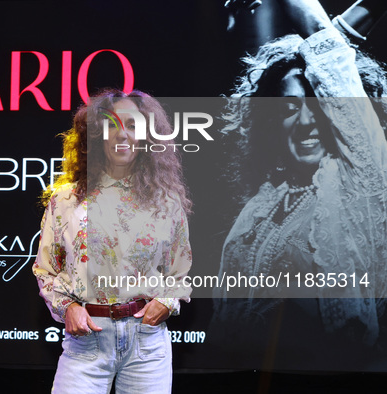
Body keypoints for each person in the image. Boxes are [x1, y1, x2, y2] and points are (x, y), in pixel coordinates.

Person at [212, 0, 387, 355]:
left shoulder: (362, 181)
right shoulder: (260, 207)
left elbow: (329, 50)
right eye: (290, 108)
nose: (306, 121)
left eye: (318, 105)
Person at [33, 89, 193, 393]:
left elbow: (180, 272)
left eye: (132, 125)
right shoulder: (65, 201)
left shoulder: (166, 201)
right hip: (86, 342)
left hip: (146, 343)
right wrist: (67, 307)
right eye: (112, 124)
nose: (122, 134)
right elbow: (45, 270)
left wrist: (166, 302)